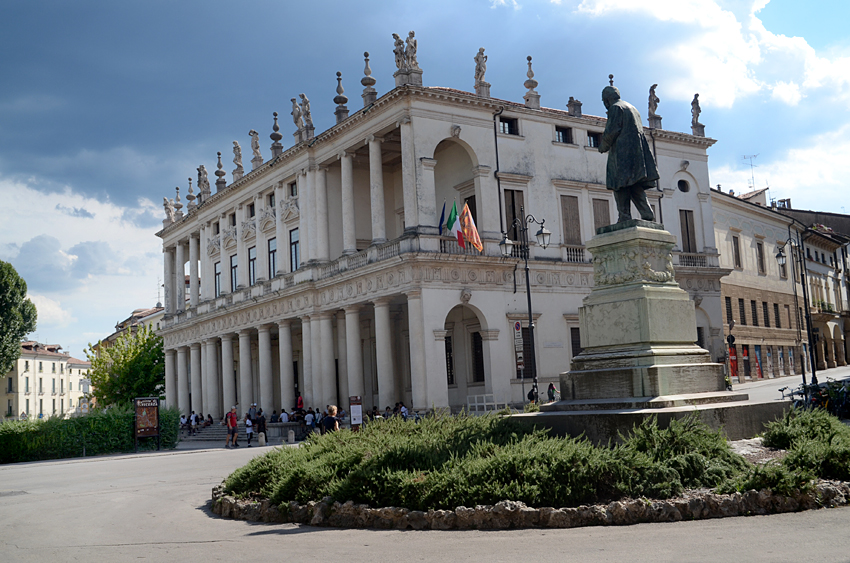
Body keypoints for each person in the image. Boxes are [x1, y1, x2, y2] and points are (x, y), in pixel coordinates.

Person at [598, 85, 659, 223]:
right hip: (637, 155)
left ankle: (624, 216)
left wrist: (603, 146)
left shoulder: (615, 108)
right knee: (634, 184)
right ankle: (647, 212)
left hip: (622, 153)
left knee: (618, 184)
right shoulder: (633, 109)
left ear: (607, 100)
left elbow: (612, 130)